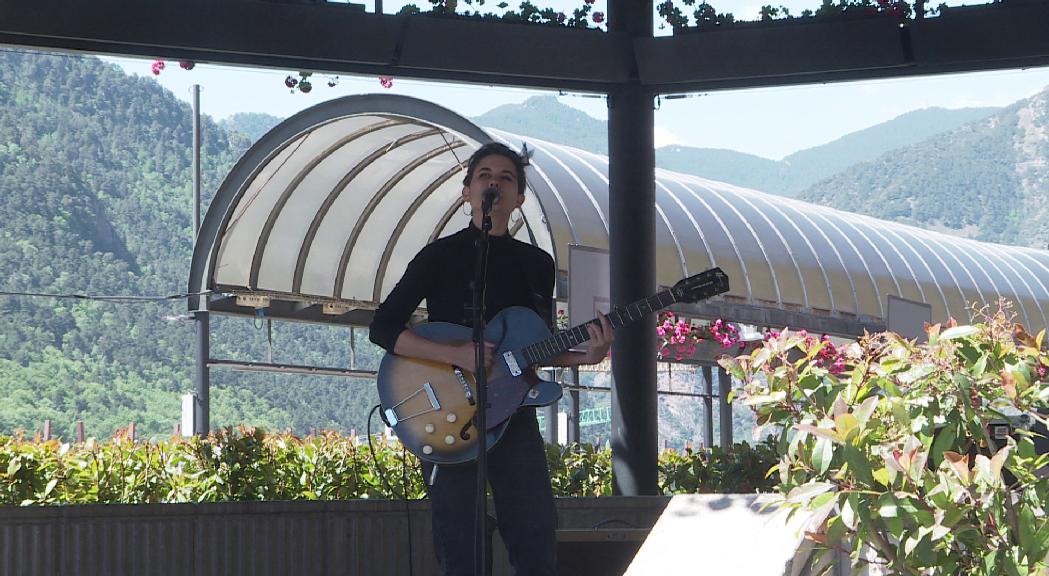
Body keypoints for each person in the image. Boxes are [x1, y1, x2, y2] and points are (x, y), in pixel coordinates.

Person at [369, 142, 614, 576]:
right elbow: (384, 328)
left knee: (535, 538)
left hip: (514, 415)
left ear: (519, 198)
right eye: (485, 175)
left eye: (506, 178)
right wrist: (453, 354)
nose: (494, 183)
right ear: (467, 191)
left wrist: (586, 356)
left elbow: (533, 351)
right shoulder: (438, 257)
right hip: (451, 414)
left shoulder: (536, 265)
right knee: (459, 544)